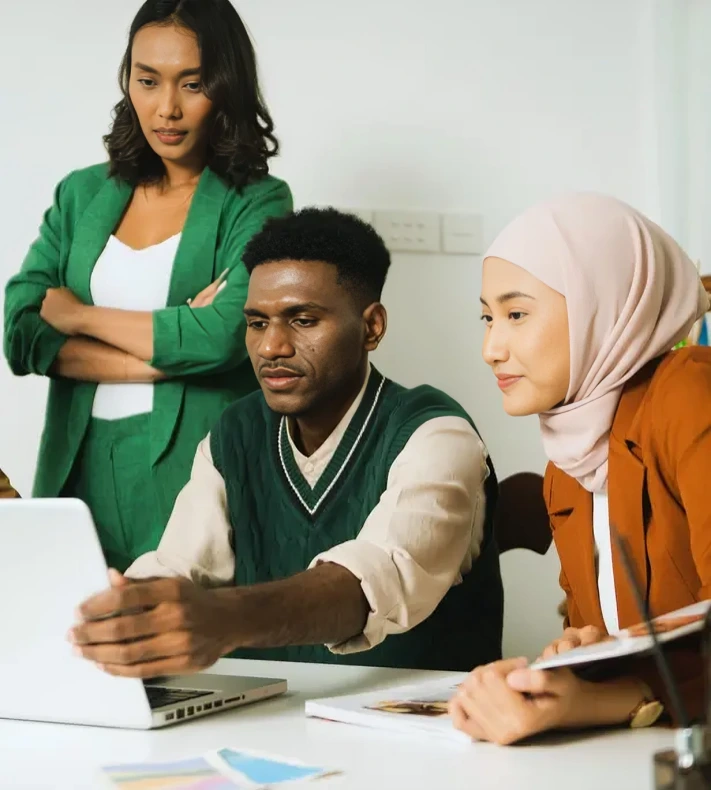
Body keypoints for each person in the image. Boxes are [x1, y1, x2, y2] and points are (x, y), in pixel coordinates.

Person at [67, 208, 504, 676]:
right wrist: (120, 615)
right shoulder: (234, 433)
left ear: (372, 326)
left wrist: (222, 618)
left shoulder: (436, 433)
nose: (272, 346)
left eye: (303, 320)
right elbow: (178, 566)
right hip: (266, 727)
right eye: (257, 323)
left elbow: (374, 579)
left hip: (421, 730)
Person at [4, 0, 292, 572]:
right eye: (148, 80)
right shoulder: (82, 193)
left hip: (195, 467)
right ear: (127, 81)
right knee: (75, 637)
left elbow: (223, 336)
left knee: (191, 642)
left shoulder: (258, 200)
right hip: (77, 460)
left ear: (226, 86)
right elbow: (20, 331)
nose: (167, 108)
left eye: (193, 83)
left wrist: (78, 316)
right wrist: (161, 357)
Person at [450, 193, 710, 744]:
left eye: (516, 314)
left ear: (605, 304)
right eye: (487, 318)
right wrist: (575, 664)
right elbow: (622, 643)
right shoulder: (569, 462)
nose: (491, 348)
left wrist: (612, 697)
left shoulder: (690, 394)